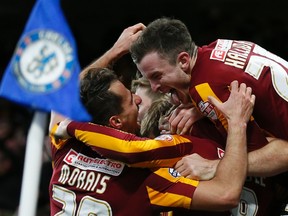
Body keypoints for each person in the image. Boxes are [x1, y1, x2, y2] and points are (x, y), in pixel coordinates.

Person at [52, 67, 254, 214]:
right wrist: (236, 121)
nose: (137, 100)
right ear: (116, 122)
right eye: (131, 100)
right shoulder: (145, 178)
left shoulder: (62, 146)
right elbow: (226, 194)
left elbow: (64, 97)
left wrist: (114, 52)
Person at [129, 17, 288, 177]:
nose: (154, 87)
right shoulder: (219, 46)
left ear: (183, 61)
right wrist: (202, 108)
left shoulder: (207, 89)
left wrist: (213, 166)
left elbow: (270, 154)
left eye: (157, 76)